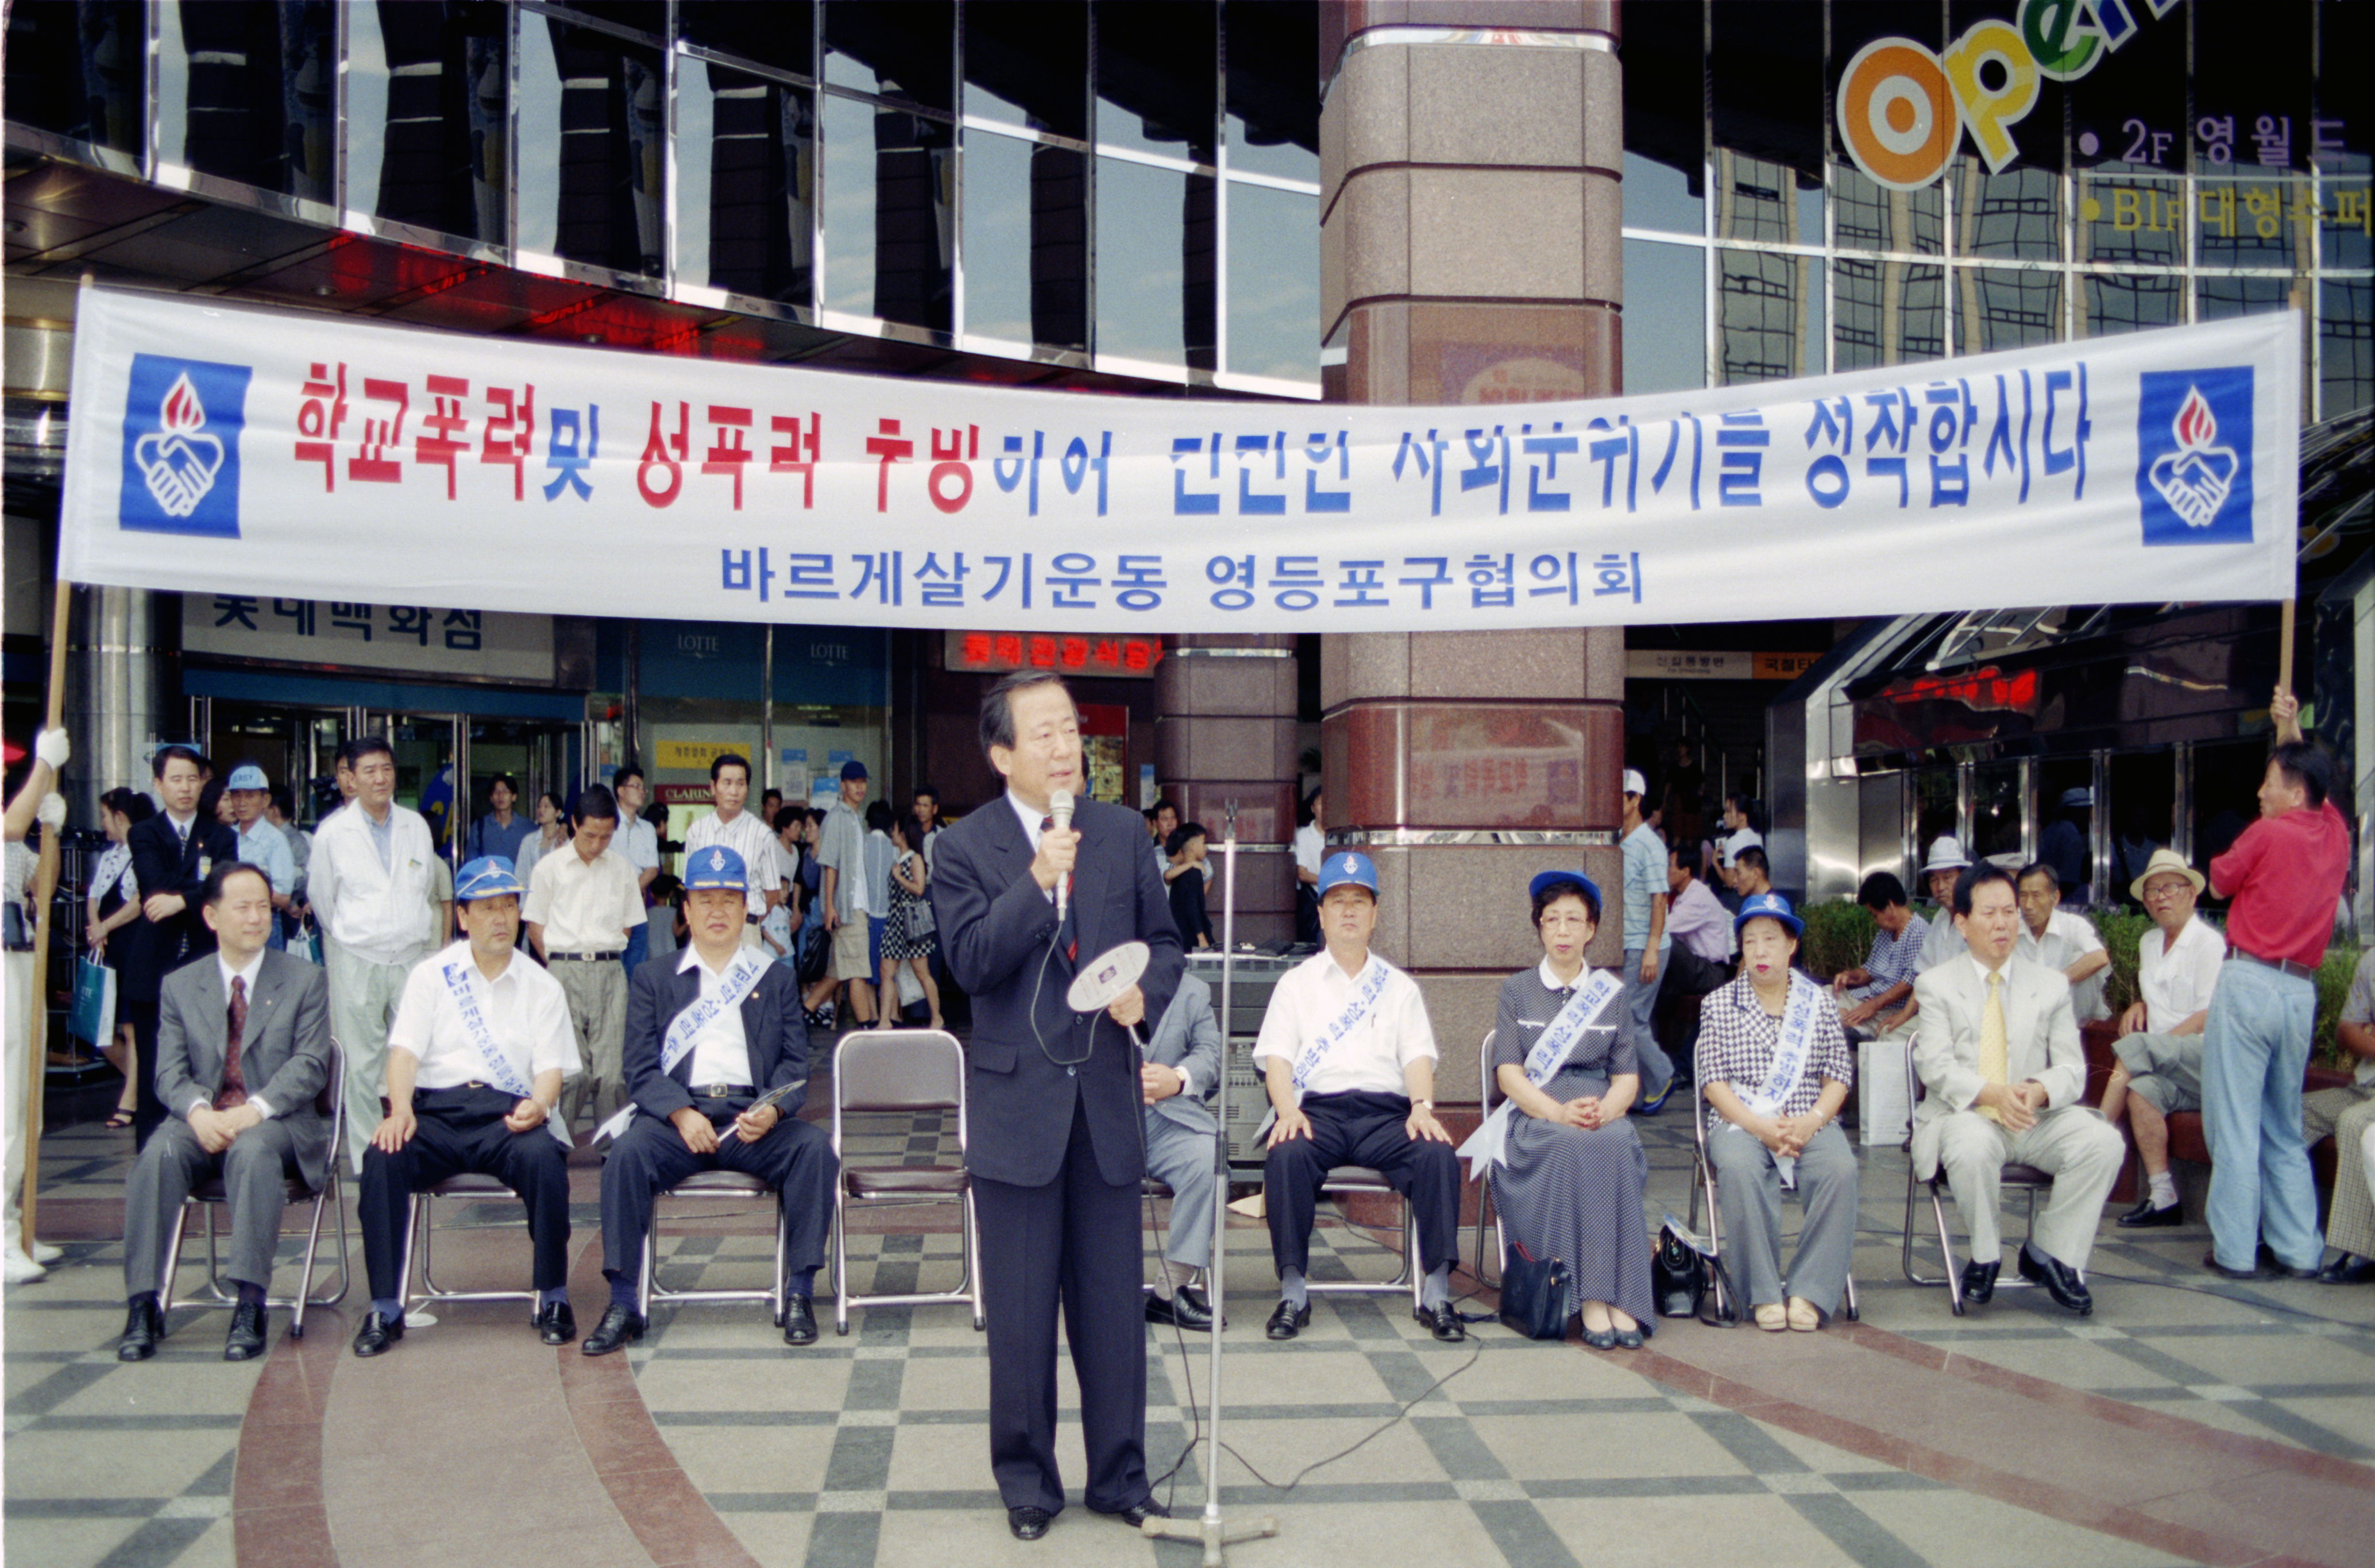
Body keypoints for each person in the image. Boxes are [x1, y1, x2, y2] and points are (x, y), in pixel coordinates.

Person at [926, 670, 1184, 1540]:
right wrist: (1037, 879)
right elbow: (969, 963)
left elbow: (1165, 941)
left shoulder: (1118, 831)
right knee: (1023, 1313)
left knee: (1113, 1311)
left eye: (1070, 729)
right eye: (1042, 733)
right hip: (1016, 1110)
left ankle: (1120, 1476)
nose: (1064, 745)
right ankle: (1028, 1483)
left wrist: (1144, 991)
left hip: (1105, 1103)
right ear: (1002, 754)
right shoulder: (961, 848)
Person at [582, 845, 837, 1355]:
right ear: (687, 910)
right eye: (705, 900)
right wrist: (679, 1111)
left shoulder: (775, 977)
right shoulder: (654, 978)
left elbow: (794, 1066)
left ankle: (800, 1293)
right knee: (627, 1156)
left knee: (813, 1150)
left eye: (728, 900)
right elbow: (640, 1067)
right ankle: (623, 1301)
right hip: (680, 1120)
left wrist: (772, 1109)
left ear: (747, 909)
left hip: (751, 1120)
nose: (717, 912)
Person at [350, 857, 580, 1357]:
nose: (501, 919)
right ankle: (385, 1306)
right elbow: (404, 1053)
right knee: (382, 1158)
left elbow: (550, 1072)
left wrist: (540, 1106)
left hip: (507, 1116)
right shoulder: (432, 976)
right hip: (436, 1114)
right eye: (487, 908)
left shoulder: (543, 985)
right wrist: (401, 1111)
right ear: (462, 917)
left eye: (509, 907)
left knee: (544, 1158)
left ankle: (553, 1295)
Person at [115, 862, 334, 1361]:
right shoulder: (180, 985)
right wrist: (197, 1113)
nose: (257, 918)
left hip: (275, 1124)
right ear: (212, 917)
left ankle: (250, 1302)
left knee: (253, 1152)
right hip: (205, 1121)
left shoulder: (305, 979)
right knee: (158, 1153)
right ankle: (144, 1303)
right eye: (244, 908)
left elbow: (310, 1065)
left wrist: (254, 1110)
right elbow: (167, 1071)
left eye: (263, 906)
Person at [1256, 851, 1465, 1345]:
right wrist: (1287, 1110)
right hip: (1317, 1113)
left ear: (1374, 915)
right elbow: (1278, 1061)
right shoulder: (1295, 984)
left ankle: (1435, 1293)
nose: (1348, 910)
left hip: (1385, 1116)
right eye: (1337, 901)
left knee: (1436, 1155)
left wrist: (1421, 1108)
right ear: (1321, 914)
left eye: (1359, 901)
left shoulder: (1399, 988)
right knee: (1285, 1156)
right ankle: (1292, 1293)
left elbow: (1417, 1057)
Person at [1911, 863, 2123, 1315]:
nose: (2004, 922)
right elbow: (1934, 1064)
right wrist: (1991, 1094)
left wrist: (2038, 1090)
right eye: (1989, 913)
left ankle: (2049, 1252)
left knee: (2103, 1141)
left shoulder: (2049, 984)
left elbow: (2071, 1068)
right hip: (1965, 1115)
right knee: (1969, 1145)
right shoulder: (1935, 985)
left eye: (2009, 911)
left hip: (2033, 1117)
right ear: (1962, 923)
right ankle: (1985, 1255)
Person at [1467, 870, 1654, 1347]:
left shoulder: (1609, 994)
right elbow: (1508, 1074)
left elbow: (1626, 1075)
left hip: (1597, 1107)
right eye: (1552, 920)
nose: (1564, 931)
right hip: (1537, 1113)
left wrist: (1605, 1112)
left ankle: (1623, 1297)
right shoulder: (1517, 990)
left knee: (1613, 1143)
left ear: (1591, 929)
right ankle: (1590, 1297)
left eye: (1575, 920)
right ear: (1540, 928)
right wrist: (1557, 1112)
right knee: (1572, 1147)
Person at [2201, 690, 2348, 1281]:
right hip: (2298, 994)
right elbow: (2318, 778)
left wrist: (2288, 732)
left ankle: (2235, 1251)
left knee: (2234, 1125)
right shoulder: (2335, 833)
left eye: (2269, 781)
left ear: (2293, 791)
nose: (2260, 792)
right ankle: (2299, 1250)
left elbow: (2216, 882)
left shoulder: (2268, 833)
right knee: (2283, 1127)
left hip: (2249, 981)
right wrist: (2288, 727)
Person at [1697, 892, 1859, 1332]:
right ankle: (1763, 1292)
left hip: (1808, 1116)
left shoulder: (1819, 1002)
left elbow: (1837, 1076)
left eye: (1770, 939)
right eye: (1749, 942)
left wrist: (1810, 1122)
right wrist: (1757, 1127)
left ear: (1792, 945)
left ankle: (1810, 1291)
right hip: (1740, 1118)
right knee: (1739, 1168)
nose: (1760, 951)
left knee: (1839, 1170)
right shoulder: (1717, 1005)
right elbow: (1713, 1082)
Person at [308, 736, 440, 1173]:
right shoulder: (331, 834)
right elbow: (324, 902)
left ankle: (419, 1146)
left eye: (386, 768)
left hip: (410, 957)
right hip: (356, 958)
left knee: (419, 1053)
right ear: (350, 777)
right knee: (360, 1064)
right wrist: (356, 933)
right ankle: (368, 1160)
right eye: (369, 771)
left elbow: (422, 891)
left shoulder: (415, 826)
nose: (380, 778)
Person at [121, 744, 241, 1148]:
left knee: (210, 1064)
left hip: (207, 964)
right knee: (157, 1069)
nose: (186, 788)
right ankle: (153, 1158)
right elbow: (154, 883)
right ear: (158, 784)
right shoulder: (143, 833)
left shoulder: (221, 834)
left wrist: (181, 900)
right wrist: (194, 894)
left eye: (193, 778)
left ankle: (208, 1152)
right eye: (176, 779)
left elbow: (222, 886)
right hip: (153, 968)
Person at [2100, 849, 2222, 1229]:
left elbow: (2208, 1014)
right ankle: (2163, 1195)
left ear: (2191, 893)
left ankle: (2095, 1136)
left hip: (2204, 1058)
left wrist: (2158, 1044)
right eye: (2151, 891)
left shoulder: (2209, 943)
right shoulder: (2149, 943)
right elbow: (2161, 998)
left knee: (2136, 1048)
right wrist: (2139, 1003)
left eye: (2169, 887)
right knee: (2143, 1093)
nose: (2160, 897)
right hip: (2167, 1062)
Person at [524, 785, 647, 1134]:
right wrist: (557, 968)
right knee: (571, 1072)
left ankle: (615, 1150)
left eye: (606, 837)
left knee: (611, 1074)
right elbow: (536, 925)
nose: (596, 845)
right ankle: (554, 1143)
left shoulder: (622, 869)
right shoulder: (550, 868)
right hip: (563, 971)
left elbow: (628, 927)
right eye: (590, 835)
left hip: (610, 973)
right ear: (574, 824)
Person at [4, 729, 70, 1281]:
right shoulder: (6, 824)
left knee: (28, 1100)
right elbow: (10, 823)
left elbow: (40, 888)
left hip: (20, 958)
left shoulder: (12, 838)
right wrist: (44, 770)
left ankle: (16, 1222)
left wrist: (54, 829)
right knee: (4, 1101)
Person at [1140, 972, 1221, 1331]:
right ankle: (1093, 1288)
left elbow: (1210, 1054)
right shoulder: (1088, 980)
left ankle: (1170, 1290)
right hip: (1099, 1120)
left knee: (1208, 1158)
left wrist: (1178, 1078)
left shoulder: (1193, 989)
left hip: (1166, 1119)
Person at [2305, 947, 2375, 1283]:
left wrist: (2370, 1036)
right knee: (2295, 1114)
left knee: (2355, 1122)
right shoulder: (2372, 960)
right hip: (2366, 1085)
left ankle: (2362, 1251)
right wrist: (2363, 1037)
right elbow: (2347, 1031)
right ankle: (2286, 1231)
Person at [88, 786, 156, 1130]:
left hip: (132, 943)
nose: (102, 824)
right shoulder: (109, 855)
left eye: (104, 815)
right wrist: (95, 927)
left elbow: (139, 901)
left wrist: (105, 927)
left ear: (119, 816)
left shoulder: (143, 850)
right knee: (99, 1027)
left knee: (131, 1027)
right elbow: (94, 894)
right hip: (107, 946)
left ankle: (130, 1100)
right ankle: (149, 1087)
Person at [1619, 769, 1676, 1110]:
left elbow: (1660, 899)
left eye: (1620, 797)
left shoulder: (1650, 844)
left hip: (1645, 945)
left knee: (1629, 1019)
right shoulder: (1622, 840)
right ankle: (1642, 1092)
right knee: (1629, 1020)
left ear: (1635, 800)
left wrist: (1652, 948)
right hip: (1630, 943)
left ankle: (1663, 1074)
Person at [1831, 872, 1929, 1041]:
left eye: (1875, 915)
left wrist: (1873, 1006)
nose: (1875, 921)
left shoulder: (1918, 931)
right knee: (1824, 995)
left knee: (1832, 1015)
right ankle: (1852, 1025)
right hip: (1867, 998)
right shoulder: (1885, 933)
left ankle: (1851, 1026)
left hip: (1889, 1008)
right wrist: (1849, 976)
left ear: (1890, 906)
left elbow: (1908, 983)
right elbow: (1868, 972)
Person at [814, 760, 875, 1025]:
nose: (860, 787)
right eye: (854, 782)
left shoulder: (857, 819)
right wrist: (830, 906)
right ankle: (867, 1032)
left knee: (837, 973)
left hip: (858, 906)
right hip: (847, 908)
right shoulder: (837, 818)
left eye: (863, 782)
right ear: (843, 785)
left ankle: (802, 1015)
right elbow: (830, 864)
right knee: (858, 972)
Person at [2014, 863, 2111, 1022]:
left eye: (2036, 896)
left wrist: (2056, 982)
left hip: (2076, 1019)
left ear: (2055, 898)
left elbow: (2100, 957)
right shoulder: (2012, 928)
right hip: (2029, 1019)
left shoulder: (2073, 925)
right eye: (2023, 896)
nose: (2028, 905)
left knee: (2082, 959)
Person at [878, 813, 943, 1029]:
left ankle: (937, 1017)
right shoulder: (898, 859)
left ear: (903, 833)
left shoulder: (915, 858)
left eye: (895, 829)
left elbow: (919, 888)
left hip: (913, 919)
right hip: (896, 920)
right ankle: (884, 1020)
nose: (892, 834)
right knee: (886, 971)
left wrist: (899, 878)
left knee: (922, 972)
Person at [222, 765, 297, 944]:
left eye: (250, 796)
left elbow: (284, 897)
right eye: (237, 795)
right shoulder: (226, 835)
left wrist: (243, 893)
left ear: (265, 800)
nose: (242, 802)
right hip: (230, 923)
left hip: (263, 924)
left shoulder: (275, 840)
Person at [611, 768, 662, 976]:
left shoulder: (648, 828)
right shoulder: (609, 824)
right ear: (621, 791)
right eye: (636, 786)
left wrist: (631, 892)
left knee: (635, 966)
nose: (642, 792)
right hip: (611, 905)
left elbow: (652, 869)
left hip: (637, 907)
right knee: (614, 966)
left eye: (643, 788)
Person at [1664, 844, 1733, 967]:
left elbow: (1665, 927)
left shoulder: (1698, 897)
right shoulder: (1685, 895)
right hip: (1699, 965)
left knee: (1664, 940)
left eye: (1670, 865)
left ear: (1685, 872)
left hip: (1711, 969)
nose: (1666, 870)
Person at [862, 798, 897, 994]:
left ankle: (872, 1015)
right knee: (887, 968)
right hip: (888, 914)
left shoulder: (864, 843)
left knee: (868, 965)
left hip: (867, 914)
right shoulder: (893, 847)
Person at [1165, 821, 1214, 952]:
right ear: (1193, 846)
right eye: (1203, 843)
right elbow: (1192, 907)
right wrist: (1201, 937)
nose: (1206, 848)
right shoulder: (1193, 873)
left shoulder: (1183, 872)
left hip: (1181, 935)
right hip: (1191, 938)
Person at [465, 774, 532, 866]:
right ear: (491, 798)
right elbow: (471, 863)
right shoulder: (480, 827)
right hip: (488, 880)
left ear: (514, 797)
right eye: (497, 792)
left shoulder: (527, 827)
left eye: (505, 792)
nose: (501, 796)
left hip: (518, 880)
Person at [2040, 787, 2092, 905]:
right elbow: (2069, 878)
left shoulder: (2051, 829)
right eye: (2084, 811)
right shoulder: (2069, 831)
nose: (2088, 816)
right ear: (2073, 811)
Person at [511, 790, 570, 887]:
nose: (541, 810)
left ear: (558, 812)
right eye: (539, 806)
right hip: (533, 898)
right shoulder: (528, 841)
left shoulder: (564, 841)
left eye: (546, 806)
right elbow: (521, 875)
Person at [1293, 787, 1324, 946]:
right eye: (1321, 803)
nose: (1325, 808)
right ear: (1313, 808)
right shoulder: (1303, 835)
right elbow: (1302, 874)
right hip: (1313, 900)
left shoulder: (1340, 835)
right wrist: (1329, 880)